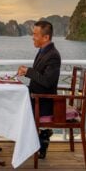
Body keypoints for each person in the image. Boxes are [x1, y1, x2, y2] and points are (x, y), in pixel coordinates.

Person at [17, 20, 61, 159]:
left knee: (11, 105)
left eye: (35, 34)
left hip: (43, 102)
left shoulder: (53, 55)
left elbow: (47, 82)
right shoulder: (42, 52)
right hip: (35, 97)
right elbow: (39, 77)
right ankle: (39, 137)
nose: (32, 37)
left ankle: (33, 141)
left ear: (46, 37)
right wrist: (27, 72)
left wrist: (28, 71)